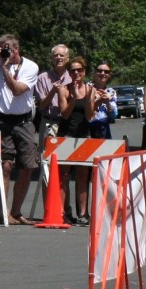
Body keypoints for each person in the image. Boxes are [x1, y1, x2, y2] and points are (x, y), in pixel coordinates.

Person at [0, 34, 39, 225]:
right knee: (5, 165)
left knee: (28, 167)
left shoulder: (30, 66)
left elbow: (17, 90)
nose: (4, 53)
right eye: (0, 49)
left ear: (15, 49)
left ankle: (16, 211)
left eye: (6, 49)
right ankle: (4, 212)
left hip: (23, 121)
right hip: (2, 120)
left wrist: (4, 68)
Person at [57, 56, 95, 226]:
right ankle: (63, 211)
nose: (77, 73)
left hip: (84, 135)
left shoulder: (89, 89)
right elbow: (64, 114)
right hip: (67, 134)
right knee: (64, 175)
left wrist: (87, 99)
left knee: (82, 175)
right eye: (73, 70)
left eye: (79, 70)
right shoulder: (63, 89)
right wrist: (73, 98)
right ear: (69, 73)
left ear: (84, 72)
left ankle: (83, 213)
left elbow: (90, 116)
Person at [34, 44, 71, 138]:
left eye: (62, 55)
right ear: (51, 59)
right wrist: (53, 91)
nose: (58, 57)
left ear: (67, 58)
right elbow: (41, 106)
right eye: (55, 55)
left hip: (67, 124)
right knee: (45, 151)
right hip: (48, 122)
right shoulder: (42, 78)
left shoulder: (72, 78)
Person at [88, 61, 118, 140]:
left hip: (104, 128)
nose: (103, 73)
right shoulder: (87, 88)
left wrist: (107, 102)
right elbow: (86, 110)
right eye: (99, 71)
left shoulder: (111, 92)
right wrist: (99, 101)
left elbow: (113, 115)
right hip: (88, 128)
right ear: (94, 72)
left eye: (106, 71)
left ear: (109, 75)